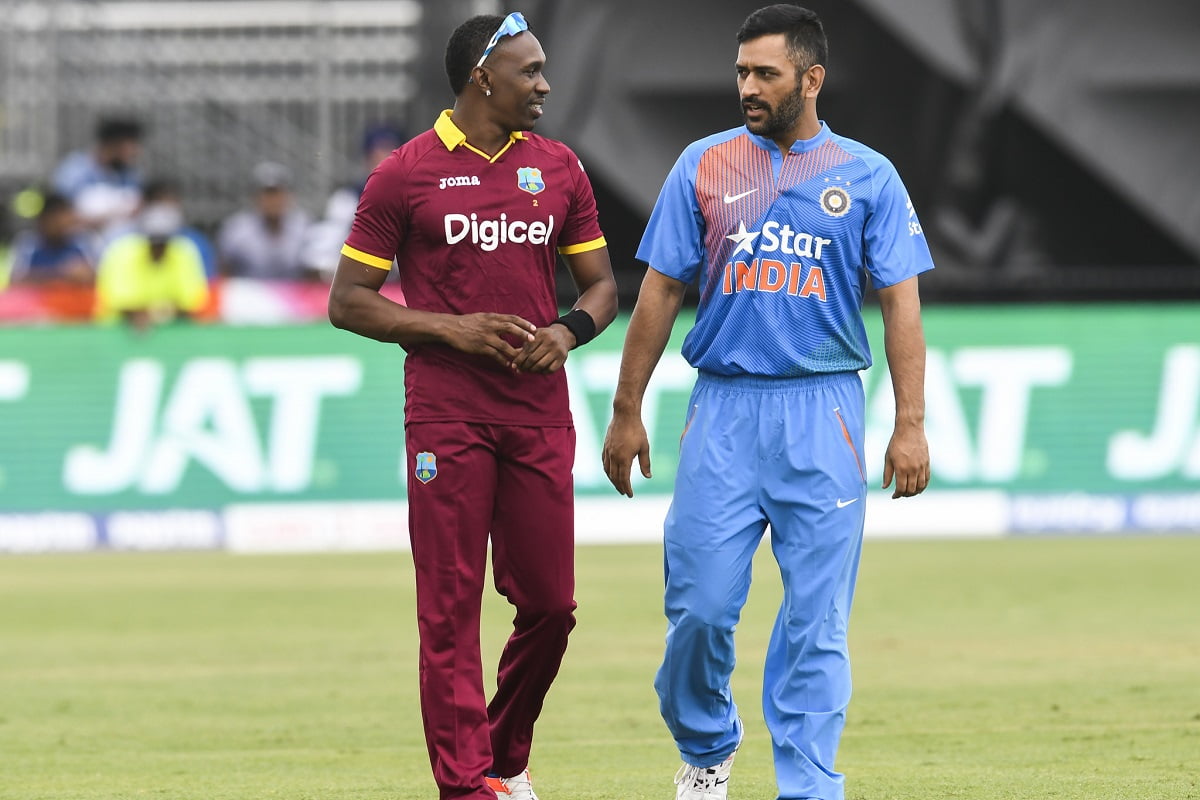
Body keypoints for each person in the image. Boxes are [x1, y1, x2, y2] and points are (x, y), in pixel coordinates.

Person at [601, 5, 933, 800]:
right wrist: (626, 407)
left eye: (766, 74)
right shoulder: (703, 164)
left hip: (825, 412)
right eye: (741, 72)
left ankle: (809, 786)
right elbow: (660, 291)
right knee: (700, 609)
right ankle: (707, 746)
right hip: (723, 411)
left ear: (811, 80)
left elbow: (901, 305)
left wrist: (910, 425)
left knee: (817, 621)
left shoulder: (868, 176)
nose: (748, 87)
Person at [327, 11, 617, 800]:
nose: (545, 84)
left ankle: (501, 755)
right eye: (531, 71)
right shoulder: (404, 173)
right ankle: (464, 787)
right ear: (482, 78)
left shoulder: (558, 167)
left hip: (537, 410)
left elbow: (601, 286)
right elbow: (348, 302)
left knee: (551, 606)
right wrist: (451, 329)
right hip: (446, 413)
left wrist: (568, 331)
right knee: (449, 608)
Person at [94, 203, 210, 330]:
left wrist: (151, 313)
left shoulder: (184, 252)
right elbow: (120, 303)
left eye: (163, 243)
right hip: (116, 331)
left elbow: (192, 302)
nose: (158, 248)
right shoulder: (122, 252)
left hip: (172, 331)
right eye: (153, 242)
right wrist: (164, 311)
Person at [217, 160, 314, 280]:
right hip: (249, 290)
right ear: (255, 197)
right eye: (267, 194)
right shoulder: (236, 229)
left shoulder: (305, 227)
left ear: (289, 196)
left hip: (294, 291)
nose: (273, 200)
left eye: (278, 193)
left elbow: (313, 275)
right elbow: (223, 274)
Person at [51, 117, 145, 235]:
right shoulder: (74, 171)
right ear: (115, 144)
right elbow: (57, 216)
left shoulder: (130, 176)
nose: (136, 151)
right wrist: (104, 217)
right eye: (132, 145)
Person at [7, 192, 94, 286]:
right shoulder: (28, 245)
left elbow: (92, 277)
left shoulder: (80, 243)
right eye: (56, 220)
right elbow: (16, 280)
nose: (62, 224)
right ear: (44, 219)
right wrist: (59, 273)